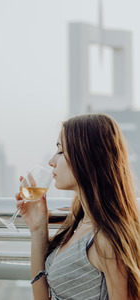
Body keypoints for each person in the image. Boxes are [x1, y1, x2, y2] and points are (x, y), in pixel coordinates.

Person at [16, 113, 140, 299]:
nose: (51, 162)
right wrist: (38, 229)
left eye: (60, 151)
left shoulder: (106, 240)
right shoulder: (79, 223)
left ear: (86, 157)